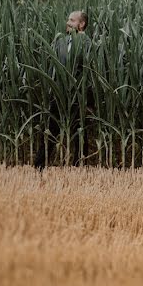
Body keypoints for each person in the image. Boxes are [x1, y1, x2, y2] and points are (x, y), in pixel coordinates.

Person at [33, 10, 93, 170]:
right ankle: (39, 166)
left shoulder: (88, 44)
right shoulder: (60, 42)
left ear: (81, 24)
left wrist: (88, 101)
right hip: (58, 94)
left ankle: (78, 167)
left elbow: (89, 72)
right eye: (68, 19)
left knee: (79, 134)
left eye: (72, 20)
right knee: (51, 131)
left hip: (77, 97)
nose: (68, 23)